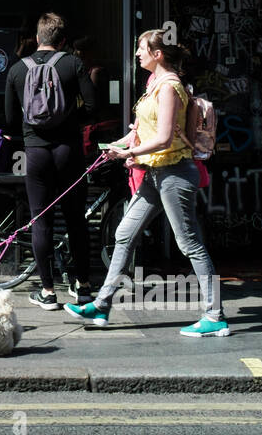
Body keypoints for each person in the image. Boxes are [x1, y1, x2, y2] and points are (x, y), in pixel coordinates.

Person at [66, 30, 229, 337]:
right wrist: (115, 146)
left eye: (141, 49)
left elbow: (164, 137)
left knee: (189, 242)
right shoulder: (153, 86)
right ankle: (101, 306)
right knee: (124, 233)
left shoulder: (169, 87)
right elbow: (141, 131)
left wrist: (130, 152)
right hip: (156, 173)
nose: (137, 54)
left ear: (158, 55)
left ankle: (215, 315)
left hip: (175, 173)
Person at [4, 12, 96, 310]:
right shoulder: (73, 63)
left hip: (36, 152)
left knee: (40, 220)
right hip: (68, 150)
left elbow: (8, 117)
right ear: (63, 40)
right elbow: (93, 106)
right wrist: (70, 120)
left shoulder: (18, 69)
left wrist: (26, 134)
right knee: (75, 219)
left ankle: (47, 291)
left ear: (37, 37)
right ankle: (83, 287)